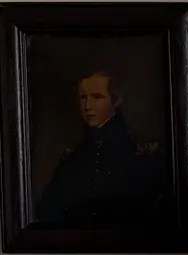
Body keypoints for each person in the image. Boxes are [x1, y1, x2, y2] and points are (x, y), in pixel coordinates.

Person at [36, 70, 169, 229]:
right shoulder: (73, 159)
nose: (87, 106)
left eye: (97, 97)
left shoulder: (141, 153)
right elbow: (47, 211)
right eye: (83, 98)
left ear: (115, 100)